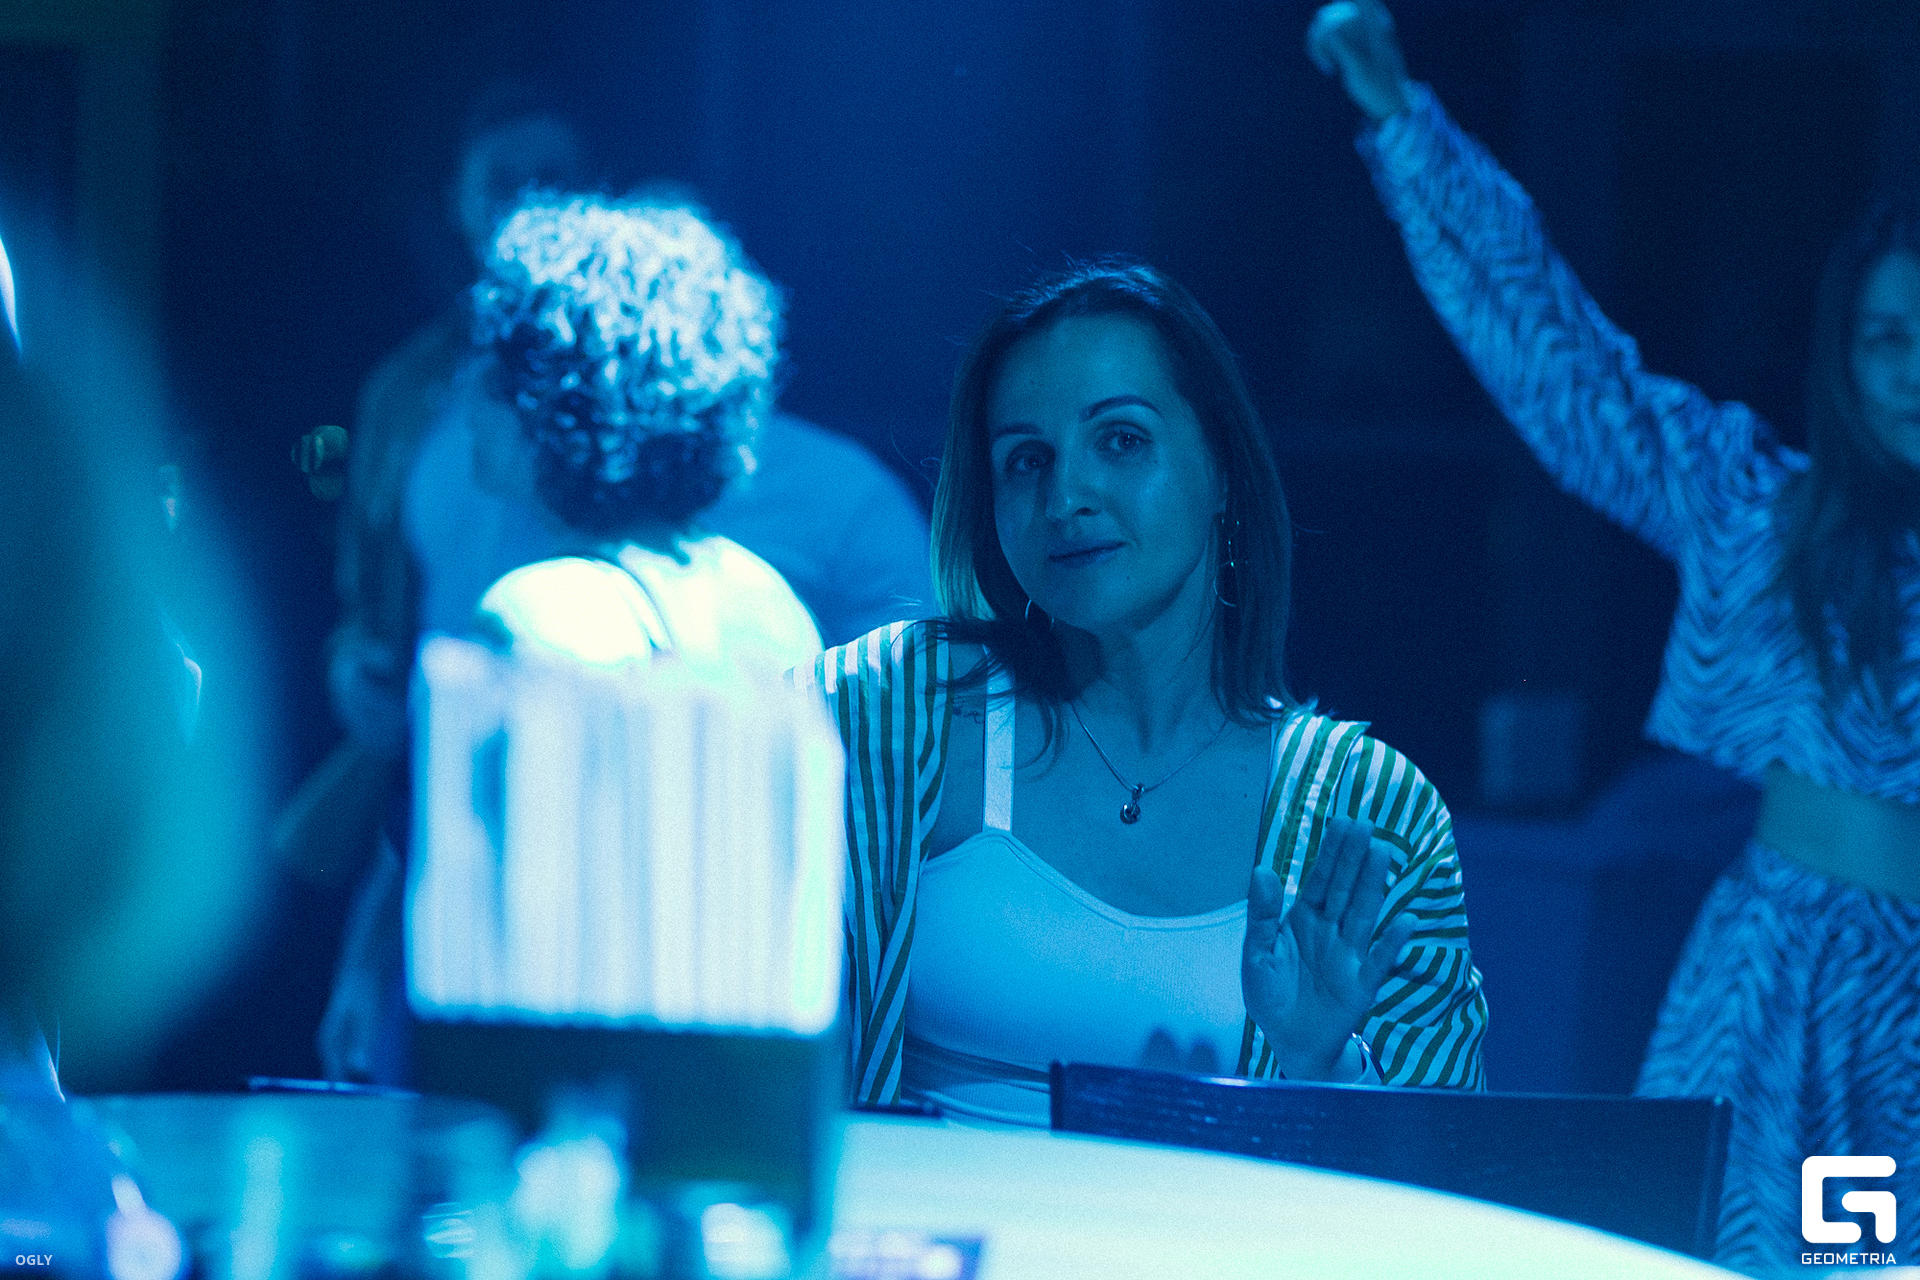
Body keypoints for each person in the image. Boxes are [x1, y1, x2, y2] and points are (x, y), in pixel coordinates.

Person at [1312, 3, 1920, 1270]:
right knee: (1785, 1258)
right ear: (1846, 354)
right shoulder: (1761, 510)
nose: (1912, 370)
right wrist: (1407, 129)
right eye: (1886, 338)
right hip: (1790, 984)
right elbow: (1571, 370)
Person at [814, 262, 1488, 1124]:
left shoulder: (1372, 810)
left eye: (1121, 440)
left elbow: (1441, 1172)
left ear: (1223, 470)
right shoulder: (887, 708)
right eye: (1026, 460)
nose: (1065, 496)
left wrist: (1321, 1067)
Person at [319, 194, 825, 1080]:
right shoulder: (774, 607)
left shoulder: (534, 615)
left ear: (555, 399)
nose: (467, 399)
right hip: (738, 1097)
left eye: (491, 371)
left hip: (568, 1104)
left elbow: (497, 946)